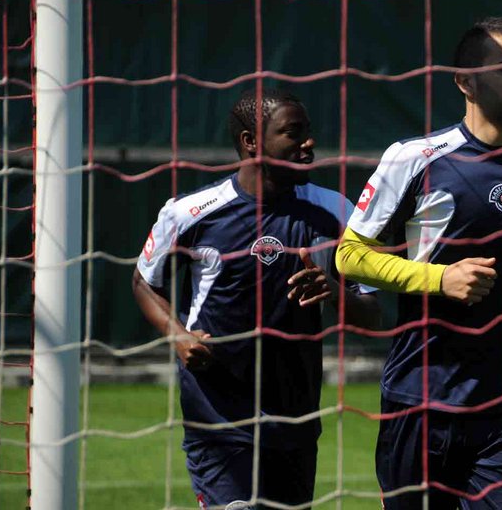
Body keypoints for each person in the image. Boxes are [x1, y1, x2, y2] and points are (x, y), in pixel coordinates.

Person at [336, 17, 502, 509]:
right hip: (421, 396)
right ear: (465, 82)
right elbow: (349, 255)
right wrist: (440, 278)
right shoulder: (414, 159)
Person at [132, 89, 379, 509]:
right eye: (292, 132)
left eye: (308, 131)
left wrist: (335, 294)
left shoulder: (336, 212)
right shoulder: (192, 213)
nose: (308, 143)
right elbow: (143, 281)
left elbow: (373, 316)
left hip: (296, 417)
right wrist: (178, 335)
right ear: (251, 141)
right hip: (218, 416)